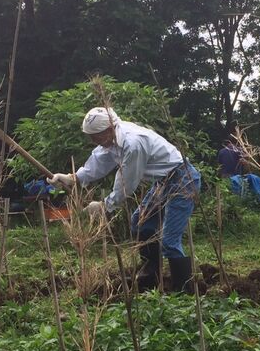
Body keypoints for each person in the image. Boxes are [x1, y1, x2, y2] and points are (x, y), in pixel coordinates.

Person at [47, 108, 201, 293]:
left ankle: (183, 291)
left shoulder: (132, 142)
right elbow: (99, 161)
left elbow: (127, 183)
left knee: (169, 240)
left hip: (182, 180)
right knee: (140, 223)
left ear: (109, 129)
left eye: (95, 136)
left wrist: (106, 205)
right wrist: (74, 178)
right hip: (163, 182)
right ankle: (151, 275)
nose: (93, 141)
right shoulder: (112, 141)